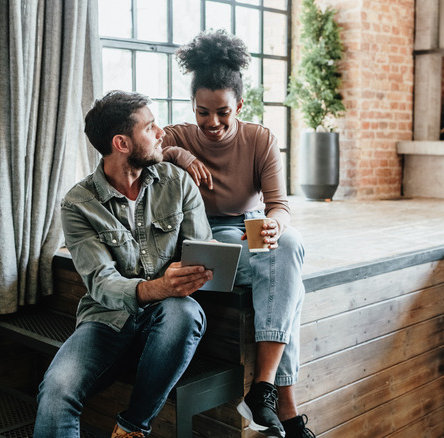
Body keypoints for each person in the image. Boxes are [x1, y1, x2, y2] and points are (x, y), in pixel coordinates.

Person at [34, 90, 214, 438]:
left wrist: (200, 268)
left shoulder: (177, 183)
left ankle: (132, 428)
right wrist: (159, 286)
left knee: (185, 312)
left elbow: (201, 251)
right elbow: (101, 283)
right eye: (149, 127)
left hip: (168, 317)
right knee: (56, 391)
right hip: (107, 320)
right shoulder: (78, 204)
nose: (161, 132)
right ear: (121, 143)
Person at [162, 30, 313, 438]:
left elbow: (280, 205)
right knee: (289, 286)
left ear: (240, 106)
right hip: (205, 235)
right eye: (203, 112)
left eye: (223, 112)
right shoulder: (177, 135)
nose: (212, 122)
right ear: (192, 106)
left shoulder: (260, 139)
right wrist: (180, 154)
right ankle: (284, 407)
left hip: (249, 226)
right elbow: (146, 154)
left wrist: (275, 223)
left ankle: (261, 388)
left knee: (290, 244)